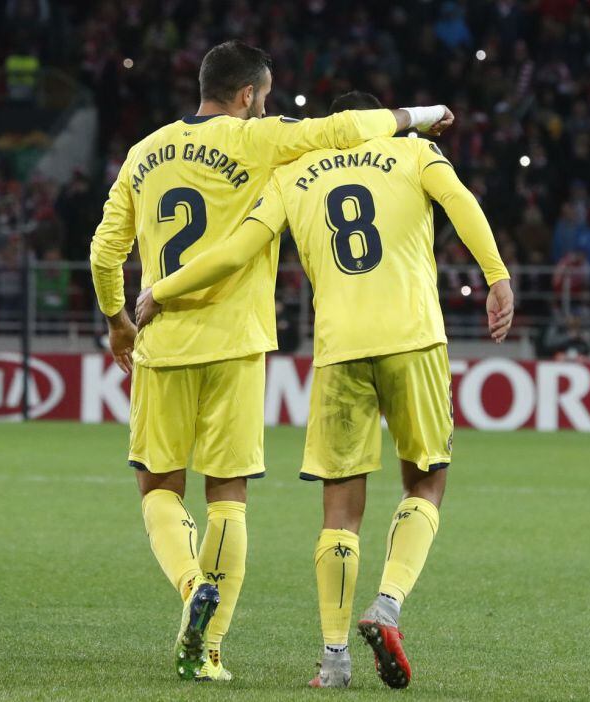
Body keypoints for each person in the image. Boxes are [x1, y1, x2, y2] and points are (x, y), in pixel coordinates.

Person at [88, 42, 453, 682]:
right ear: (249, 95)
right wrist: (419, 115)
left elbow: (103, 251)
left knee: (159, 488)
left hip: (163, 342)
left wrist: (119, 321)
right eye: (266, 96)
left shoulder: (143, 153)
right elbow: (342, 130)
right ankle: (211, 653)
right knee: (228, 499)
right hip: (237, 343)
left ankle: (191, 585)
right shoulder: (258, 139)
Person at [135, 91, 512, 689]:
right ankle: (387, 604)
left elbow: (234, 252)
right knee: (426, 481)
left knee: (340, 509)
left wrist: (161, 290)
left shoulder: (292, 176)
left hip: (339, 350)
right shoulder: (415, 153)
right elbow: (462, 204)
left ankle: (334, 659)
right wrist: (496, 277)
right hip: (414, 338)